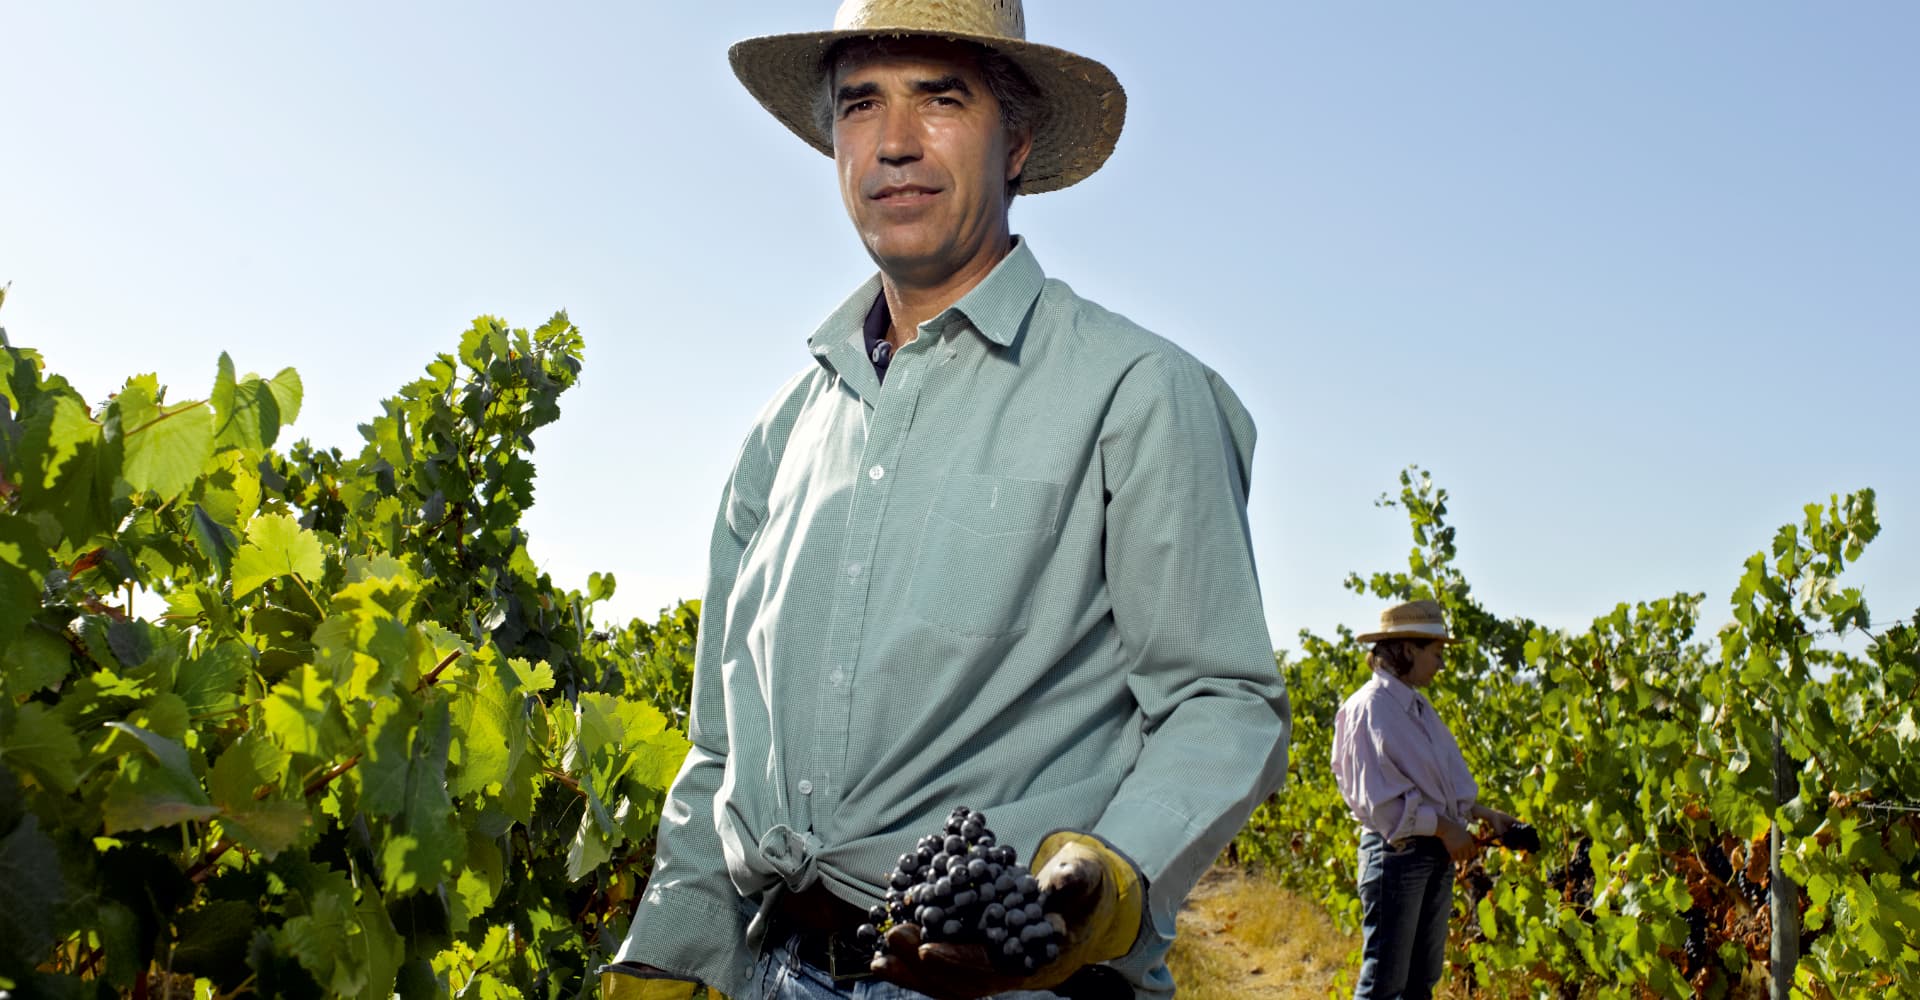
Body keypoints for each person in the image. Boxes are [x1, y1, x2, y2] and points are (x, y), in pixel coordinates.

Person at [601, 1, 1291, 998]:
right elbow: (719, 744)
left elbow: (1219, 702)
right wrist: (673, 946)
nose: (893, 143)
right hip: (771, 969)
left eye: (940, 99)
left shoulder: (1136, 391)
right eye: (860, 105)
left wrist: (1103, 875)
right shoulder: (779, 431)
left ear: (1015, 143)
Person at [1330, 600, 1520, 1000]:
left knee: (1420, 984)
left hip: (1431, 853)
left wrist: (1484, 814)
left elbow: (1439, 784)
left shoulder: (1416, 706)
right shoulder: (1370, 708)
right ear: (1408, 649)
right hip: (1397, 855)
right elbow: (1380, 805)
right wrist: (1447, 828)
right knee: (1383, 985)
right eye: (1436, 653)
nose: (1442, 664)